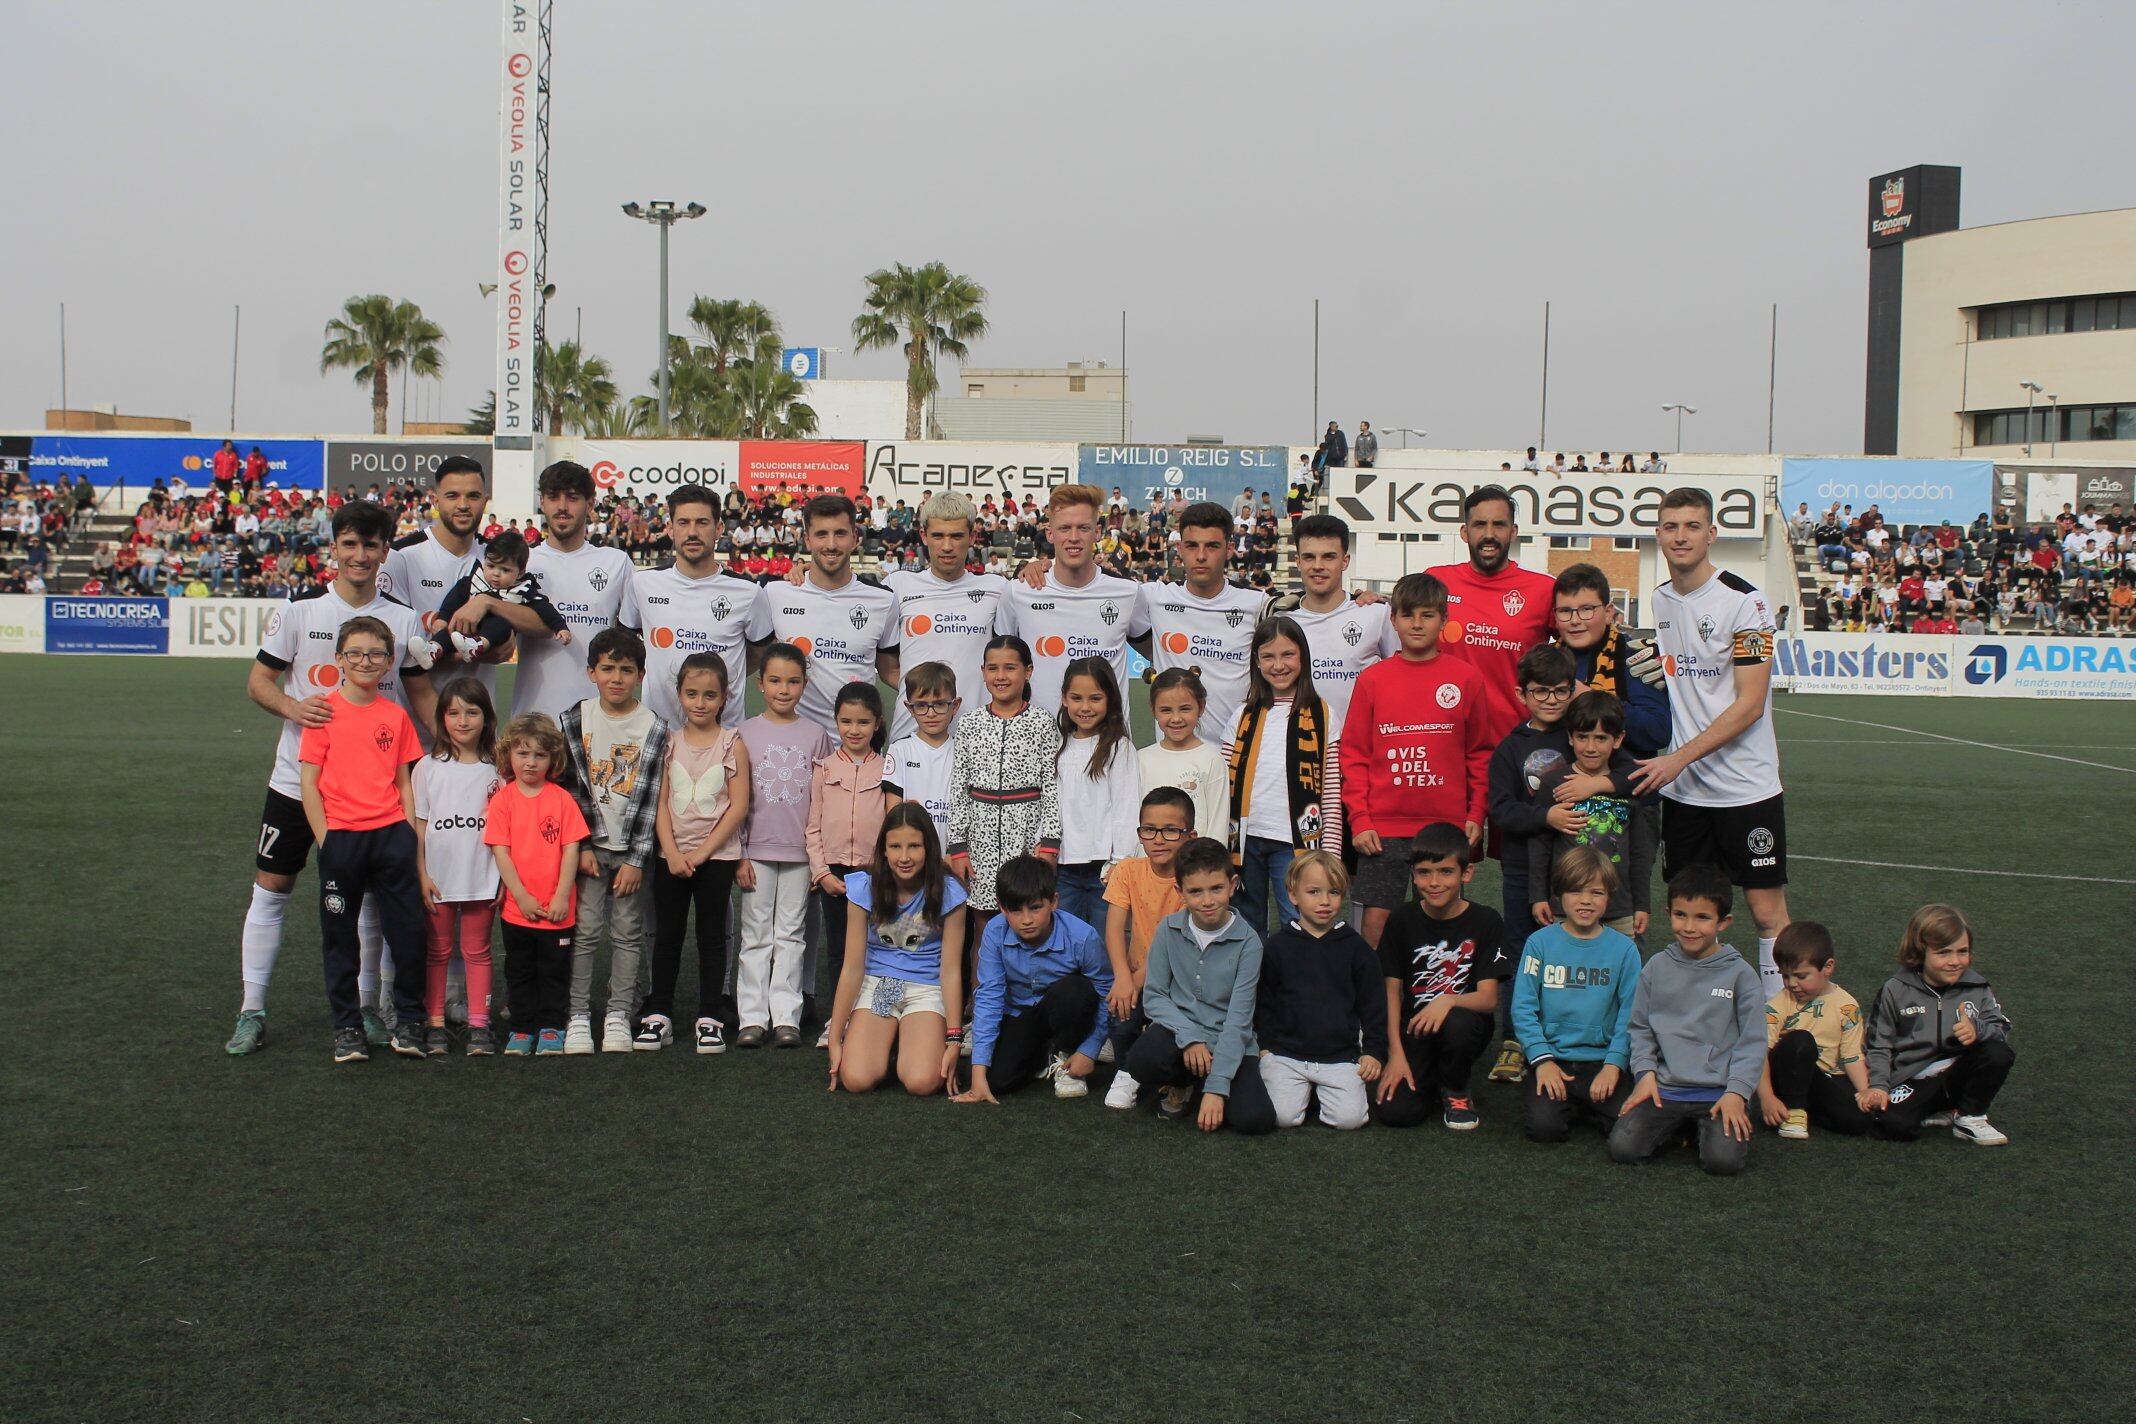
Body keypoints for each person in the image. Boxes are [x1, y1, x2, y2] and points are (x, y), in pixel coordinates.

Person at [224, 500, 433, 1057]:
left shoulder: (402, 619)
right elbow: (258, 683)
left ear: (385, 553)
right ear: (333, 549)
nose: (359, 555)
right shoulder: (298, 613)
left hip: (374, 793)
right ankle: (252, 1010)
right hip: (299, 783)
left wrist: (461, 751)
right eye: (350, 544)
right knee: (272, 889)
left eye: (371, 546)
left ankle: (365, 1010)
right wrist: (296, 710)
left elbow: (419, 696)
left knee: (367, 904)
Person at [1633, 487, 1790, 1000]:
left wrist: (1675, 759)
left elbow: (1749, 705)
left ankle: (1778, 1020)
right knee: (1692, 912)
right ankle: (1698, 1010)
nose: (1680, 536)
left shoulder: (1747, 602)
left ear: (1711, 534)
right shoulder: (1659, 598)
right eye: (1671, 526)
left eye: (1692, 526)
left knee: (1767, 913)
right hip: (1686, 795)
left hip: (1746, 789)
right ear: (1658, 533)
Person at [297, 617, 431, 1063]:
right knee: (340, 938)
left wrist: (408, 835)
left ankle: (409, 1021)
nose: (365, 662)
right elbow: (309, 784)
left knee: (408, 932)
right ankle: (347, 1027)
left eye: (375, 654)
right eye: (355, 653)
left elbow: (405, 783)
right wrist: (326, 840)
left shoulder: (395, 716)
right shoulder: (323, 713)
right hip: (343, 841)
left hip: (391, 834)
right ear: (339, 660)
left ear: (389, 663)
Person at [1338, 572, 1491, 951]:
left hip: (1445, 824)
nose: (1417, 624)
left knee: (1441, 923)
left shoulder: (1466, 679)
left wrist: (1475, 815)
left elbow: (1479, 754)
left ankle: (1438, 998)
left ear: (1444, 620)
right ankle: (1378, 1005)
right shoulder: (1373, 680)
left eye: (1428, 615)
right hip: (1383, 828)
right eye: (1408, 615)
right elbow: (1354, 755)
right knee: (1376, 923)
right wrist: (1360, 818)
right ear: (1393, 620)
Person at [1606, 865, 1763, 1175]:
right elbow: (1639, 1028)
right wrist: (1645, 1074)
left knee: (1723, 1162)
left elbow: (1753, 1041)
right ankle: (1680, 1130)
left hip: (1718, 1093)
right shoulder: (1656, 967)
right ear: (1669, 913)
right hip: (1664, 1090)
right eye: (1681, 915)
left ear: (1724, 922)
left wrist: (1736, 1093)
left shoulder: (1741, 975)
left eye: (1702, 917)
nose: (1689, 927)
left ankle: (1705, 1129)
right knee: (1623, 1148)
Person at [1121, 836, 1278, 1134]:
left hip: (1229, 1040)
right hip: (1181, 1034)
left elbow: (1239, 1021)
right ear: (1180, 892)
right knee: (1141, 1061)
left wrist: (1217, 1089)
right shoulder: (1168, 930)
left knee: (1254, 1120)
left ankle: (1209, 1080)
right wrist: (1190, 1037)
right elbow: (1154, 998)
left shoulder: (1249, 943)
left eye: (1216, 888)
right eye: (1195, 891)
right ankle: (1184, 1081)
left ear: (1232, 885)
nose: (1207, 901)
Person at [557, 627, 666, 1054]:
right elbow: (569, 789)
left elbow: (652, 798)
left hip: (632, 852)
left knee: (626, 932)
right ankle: (578, 1013)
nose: (616, 678)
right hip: (587, 849)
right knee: (584, 932)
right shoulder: (574, 719)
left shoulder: (653, 726)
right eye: (607, 668)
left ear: (640, 674)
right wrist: (581, 845)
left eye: (625, 669)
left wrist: (638, 858)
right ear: (591, 672)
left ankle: (620, 1013)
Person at [643, 653, 750, 1052]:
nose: (700, 703)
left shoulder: (732, 744)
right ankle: (660, 1013)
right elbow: (659, 801)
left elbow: (738, 805)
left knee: (711, 937)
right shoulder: (667, 742)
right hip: (670, 858)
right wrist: (671, 852)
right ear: (679, 696)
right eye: (691, 694)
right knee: (667, 936)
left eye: (709, 695)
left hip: (716, 860)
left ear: (724, 697)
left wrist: (703, 853)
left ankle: (710, 1015)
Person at [1372, 824, 1511, 1130]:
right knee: (1398, 1115)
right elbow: (1391, 992)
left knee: (1457, 1022)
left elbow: (1488, 1000)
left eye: (1446, 872)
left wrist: (1446, 1001)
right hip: (1414, 1029)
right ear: (1413, 875)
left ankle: (1456, 1088)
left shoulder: (1486, 920)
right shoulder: (1401, 920)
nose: (1434, 882)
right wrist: (1395, 1054)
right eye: (1424, 872)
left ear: (1467, 873)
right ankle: (1430, 1075)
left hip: (1465, 1026)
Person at [825, 803, 968, 1096]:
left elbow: (951, 971)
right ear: (884, 849)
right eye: (895, 846)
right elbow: (852, 966)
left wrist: (954, 1039)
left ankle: (909, 1041)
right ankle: (886, 1044)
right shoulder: (864, 887)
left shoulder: (950, 892)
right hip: (879, 985)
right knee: (856, 1079)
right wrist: (835, 1039)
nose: (904, 857)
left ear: (928, 847)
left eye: (914, 846)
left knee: (922, 1081)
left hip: (926, 989)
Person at [734, 644, 832, 1048]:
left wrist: (818, 859)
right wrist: (739, 853)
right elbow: (733, 798)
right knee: (756, 934)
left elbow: (824, 801)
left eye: (793, 681)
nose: (784, 689)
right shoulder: (743, 732)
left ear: (805, 685)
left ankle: (786, 1017)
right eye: (775, 680)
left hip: (799, 855)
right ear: (760, 685)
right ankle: (752, 1018)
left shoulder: (815, 735)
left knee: (791, 934)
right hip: (755, 852)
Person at [955, 856, 1113, 1103]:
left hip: (1065, 1010)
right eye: (1016, 910)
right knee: (997, 1081)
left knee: (1076, 991)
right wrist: (978, 1072)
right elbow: (989, 997)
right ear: (1002, 908)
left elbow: (1106, 992)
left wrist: (1089, 1050)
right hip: (1019, 1015)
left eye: (1035, 908)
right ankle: (1042, 1053)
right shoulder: (995, 933)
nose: (1026, 919)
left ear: (1054, 902)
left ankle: (1067, 1053)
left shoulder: (1082, 936)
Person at [1512, 847, 1642, 1143]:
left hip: (1602, 1061)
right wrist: (1541, 1061)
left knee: (1631, 1128)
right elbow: (1523, 1007)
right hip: (1553, 1059)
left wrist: (1614, 1065)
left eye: (1596, 892)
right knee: (1544, 1130)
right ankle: (1571, 1104)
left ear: (1609, 896)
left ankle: (1588, 1105)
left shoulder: (1624, 950)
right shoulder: (1539, 943)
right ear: (1559, 894)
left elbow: (1631, 1013)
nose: (1585, 901)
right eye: (1575, 891)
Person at [1861, 904, 2014, 1146]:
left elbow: (2001, 1029)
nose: (1955, 961)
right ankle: (1934, 1109)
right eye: (1943, 953)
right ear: (1919, 952)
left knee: (1997, 1052)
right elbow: (1877, 1044)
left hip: (1956, 1072)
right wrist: (1879, 1085)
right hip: (1915, 1078)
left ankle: (1969, 1116)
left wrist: (1978, 1029)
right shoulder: (1896, 989)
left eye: (1962, 951)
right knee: (1891, 1125)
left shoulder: (1977, 987)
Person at [1227, 616, 1342, 938]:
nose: (1278, 665)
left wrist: (1328, 854)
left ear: (1303, 657)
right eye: (1268, 656)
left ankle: (1299, 988)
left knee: (1301, 922)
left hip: (1295, 843)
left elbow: (1331, 792)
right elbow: (1223, 784)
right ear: (1256, 661)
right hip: (1244, 841)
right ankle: (1253, 988)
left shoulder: (1324, 714)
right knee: (1245, 925)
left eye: (1287, 654)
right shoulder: (1243, 715)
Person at [1254, 851, 1386, 1131]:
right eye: (1313, 891)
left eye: (1334, 892)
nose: (1324, 901)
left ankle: (1320, 1093)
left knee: (1350, 1120)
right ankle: (1303, 1092)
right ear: (1293, 895)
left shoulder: (1357, 949)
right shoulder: (1276, 946)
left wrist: (1373, 1051)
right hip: (1286, 1054)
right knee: (1281, 1118)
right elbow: (1264, 1001)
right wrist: (1265, 1046)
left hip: (1339, 1055)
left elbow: (1373, 1005)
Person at [484, 713, 592, 1056]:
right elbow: (502, 853)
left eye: (540, 755)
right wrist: (521, 897)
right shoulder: (503, 801)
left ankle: (551, 1027)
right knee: (519, 970)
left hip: (558, 910)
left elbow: (571, 849)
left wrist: (562, 895)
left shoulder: (561, 800)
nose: (530, 762)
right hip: (518, 911)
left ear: (553, 760)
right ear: (508, 756)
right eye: (522, 753)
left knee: (554, 972)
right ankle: (520, 1027)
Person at [747, 494, 900, 733]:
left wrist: (931, 695)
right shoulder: (774, 594)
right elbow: (751, 657)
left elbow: (889, 669)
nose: (831, 544)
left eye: (840, 533)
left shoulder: (883, 600)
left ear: (855, 538)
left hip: (854, 749)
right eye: (821, 534)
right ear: (807, 539)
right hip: (793, 748)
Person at [414, 676, 503, 1056]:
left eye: (472, 712)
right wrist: (421, 874)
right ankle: (434, 1023)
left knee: (478, 951)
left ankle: (479, 1026)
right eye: (453, 713)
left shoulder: (497, 769)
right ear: (441, 718)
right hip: (439, 880)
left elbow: (505, 830)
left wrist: (503, 877)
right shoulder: (426, 767)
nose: (462, 721)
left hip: (481, 879)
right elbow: (418, 826)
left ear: (487, 718)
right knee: (436, 951)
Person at [1429, 485, 1558, 749]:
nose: (1489, 535)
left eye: (1499, 525)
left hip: (1515, 747)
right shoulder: (1437, 580)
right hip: (1444, 744)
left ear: (1513, 532)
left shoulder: (1543, 590)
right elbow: (1402, 623)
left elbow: (1581, 643)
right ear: (1465, 533)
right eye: (1479, 525)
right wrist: (1364, 601)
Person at [628, 485, 765, 733]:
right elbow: (628, 644)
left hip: (724, 737)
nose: (692, 532)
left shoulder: (748, 592)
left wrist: (727, 675)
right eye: (683, 522)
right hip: (657, 734)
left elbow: (759, 652)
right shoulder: (642, 584)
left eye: (702, 522)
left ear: (719, 528)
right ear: (670, 528)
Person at [997, 484, 1147, 710]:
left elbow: (1163, 654)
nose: (1074, 537)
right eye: (1065, 528)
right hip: (1040, 741)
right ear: (1050, 533)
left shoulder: (1128, 592)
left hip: (1107, 743)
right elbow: (999, 664)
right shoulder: (1019, 591)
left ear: (1097, 532)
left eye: (1083, 528)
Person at [949, 635, 1063, 924]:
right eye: (993, 668)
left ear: (1028, 671)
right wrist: (958, 847)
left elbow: (1051, 786)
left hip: (1026, 840)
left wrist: (1048, 843)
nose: (1000, 676)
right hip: (979, 841)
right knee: (984, 927)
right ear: (983, 672)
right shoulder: (969, 723)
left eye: (1010, 668)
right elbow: (960, 788)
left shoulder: (1042, 721)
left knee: (1029, 922)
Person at [880, 491, 1010, 742]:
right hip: (911, 736)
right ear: (923, 535)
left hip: (978, 737)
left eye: (957, 536)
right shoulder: (896, 585)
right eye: (938, 535)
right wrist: (925, 693)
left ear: (972, 536)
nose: (947, 546)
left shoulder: (998, 588)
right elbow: (885, 662)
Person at [516, 461, 638, 722]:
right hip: (533, 723)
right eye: (553, 497)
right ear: (542, 502)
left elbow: (634, 641)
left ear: (590, 504)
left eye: (572, 498)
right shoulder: (523, 563)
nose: (562, 507)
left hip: (598, 723)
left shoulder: (616, 563)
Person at [1527, 691, 1654, 940]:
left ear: (1618, 740)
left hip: (1620, 909)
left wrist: (1642, 905)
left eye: (1601, 738)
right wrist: (1538, 896)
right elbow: (1540, 844)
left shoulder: (1629, 787)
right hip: (1566, 906)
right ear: (1570, 738)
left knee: (1622, 974)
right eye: (1583, 737)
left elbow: (1641, 852)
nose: (1591, 747)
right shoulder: (1554, 782)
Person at [1138, 503, 1265, 748]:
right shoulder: (1154, 597)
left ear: (1229, 549)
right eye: (1192, 545)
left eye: (1212, 546)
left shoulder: (1256, 604)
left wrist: (1359, 599)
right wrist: (1043, 568)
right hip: (1175, 758)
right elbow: (1094, 590)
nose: (1201, 556)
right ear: (1179, 548)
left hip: (1237, 757)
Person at [1099, 787, 1194, 1109]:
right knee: (1119, 1012)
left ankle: (1179, 1080)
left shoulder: (1193, 879)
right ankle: (1127, 1072)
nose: (1158, 839)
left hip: (1178, 982)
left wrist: (1135, 981)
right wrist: (1123, 977)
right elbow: (1113, 928)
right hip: (1136, 974)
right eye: (1149, 829)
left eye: (1171, 830)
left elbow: (1173, 947)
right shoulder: (1128, 870)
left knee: (1171, 1032)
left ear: (1189, 835)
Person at [807, 683, 891, 1039]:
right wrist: (821, 872)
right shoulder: (824, 769)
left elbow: (893, 825)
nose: (854, 730)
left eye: (863, 722)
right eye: (846, 721)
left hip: (876, 875)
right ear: (836, 721)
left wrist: (885, 874)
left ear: (877, 724)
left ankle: (880, 1018)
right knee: (840, 948)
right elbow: (813, 828)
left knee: (882, 947)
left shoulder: (888, 769)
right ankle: (838, 1020)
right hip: (836, 875)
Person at [1285, 515, 1396, 740]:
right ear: (1298, 562)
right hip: (1300, 752)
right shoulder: (1283, 621)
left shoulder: (1376, 613)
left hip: (1360, 754)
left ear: (1345, 561)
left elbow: (1401, 677)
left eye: (1328, 557)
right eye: (1309, 557)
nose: (1318, 566)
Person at [1757, 921, 1870, 1140]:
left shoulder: (1847, 1005)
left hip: (1824, 1079)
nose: (1791, 984)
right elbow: (1759, 1052)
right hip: (1787, 1075)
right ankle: (1794, 1109)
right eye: (1785, 975)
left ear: (1827, 967)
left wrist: (1864, 1092)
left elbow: (1852, 1056)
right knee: (1800, 1041)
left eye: (1800, 976)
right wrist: (1767, 1098)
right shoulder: (1779, 1004)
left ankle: (1807, 1111)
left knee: (1859, 1121)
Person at [1053, 657, 1139, 935]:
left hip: (1103, 870)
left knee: (1106, 946)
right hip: (1064, 868)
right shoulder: (1057, 745)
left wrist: (1120, 861)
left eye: (1095, 698)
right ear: (1064, 699)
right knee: (1065, 944)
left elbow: (1127, 807)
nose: (1085, 707)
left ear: (1109, 699)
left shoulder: (1119, 747)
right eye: (1076, 698)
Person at [421, 529, 568, 667]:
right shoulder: (474, 580)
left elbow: (545, 607)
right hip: (464, 631)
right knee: (451, 631)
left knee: (501, 624)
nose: (496, 574)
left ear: (520, 572)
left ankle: (477, 645)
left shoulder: (523, 589)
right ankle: (433, 649)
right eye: (491, 566)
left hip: (494, 637)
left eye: (505, 570)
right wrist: (443, 618)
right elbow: (453, 599)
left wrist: (560, 627)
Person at [1136, 668, 1228, 844]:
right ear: (1153, 710)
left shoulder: (1212, 760)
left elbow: (1218, 827)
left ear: (1200, 707)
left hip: (1193, 868)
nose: (1176, 718)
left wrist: (1206, 869)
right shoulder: (1141, 759)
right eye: (1166, 710)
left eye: (1185, 709)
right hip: (1146, 867)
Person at [881, 661, 959, 849]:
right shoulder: (900, 750)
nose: (930, 713)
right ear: (910, 708)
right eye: (921, 705)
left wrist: (956, 851)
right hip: (912, 858)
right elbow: (893, 812)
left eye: (940, 704)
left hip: (953, 856)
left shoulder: (964, 751)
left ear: (955, 706)